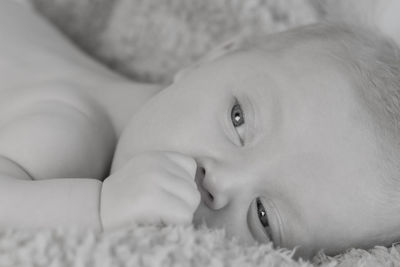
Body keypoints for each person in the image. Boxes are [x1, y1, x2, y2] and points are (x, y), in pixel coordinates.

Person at [1, 0, 400, 259]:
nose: (219, 183)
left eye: (263, 217)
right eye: (238, 120)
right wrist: (101, 208)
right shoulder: (69, 125)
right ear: (212, 57)